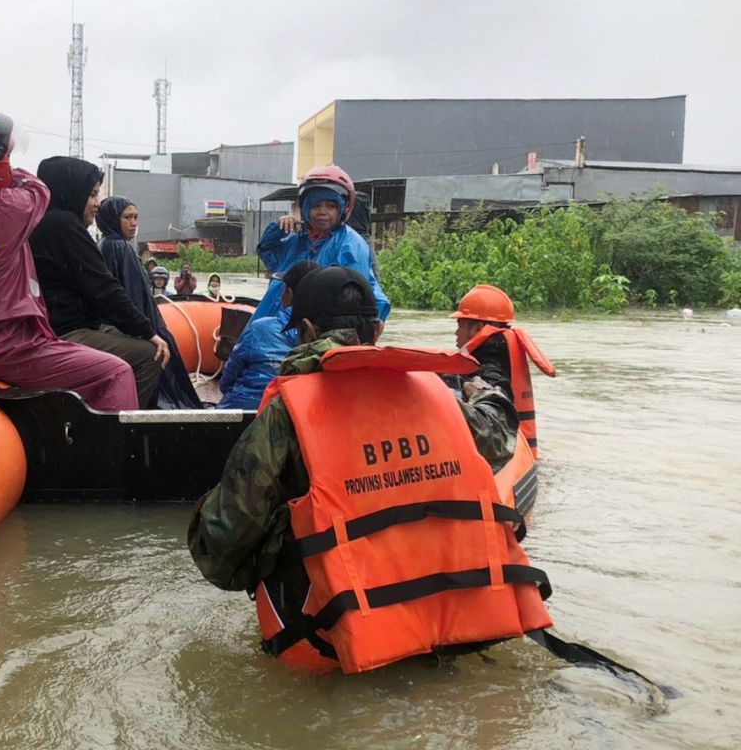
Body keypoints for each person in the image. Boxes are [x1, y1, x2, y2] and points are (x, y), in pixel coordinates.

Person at [187, 266, 549, 673]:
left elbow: (224, 540)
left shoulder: (285, 415)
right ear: (376, 332)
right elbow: (500, 434)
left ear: (305, 330)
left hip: (332, 638)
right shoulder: (434, 394)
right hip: (449, 620)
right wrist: (488, 378)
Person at [0, 111, 139, 412]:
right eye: (3, 156)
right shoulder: (5, 211)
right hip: (9, 347)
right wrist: (5, 174)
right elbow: (39, 189)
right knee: (115, 372)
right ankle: (114, 457)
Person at [31, 156, 171, 409]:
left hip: (68, 324)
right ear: (72, 191)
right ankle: (118, 430)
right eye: (92, 194)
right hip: (65, 330)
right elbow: (104, 289)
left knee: (128, 336)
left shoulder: (44, 222)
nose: (96, 204)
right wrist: (148, 331)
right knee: (151, 355)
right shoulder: (63, 225)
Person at [250, 165, 390, 330]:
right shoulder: (296, 242)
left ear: (343, 208)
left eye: (330, 206)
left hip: (312, 333)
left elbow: (350, 304)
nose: (322, 212)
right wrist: (278, 229)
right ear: (306, 208)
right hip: (276, 325)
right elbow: (267, 252)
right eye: (316, 206)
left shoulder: (350, 245)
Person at [96, 196, 202, 409]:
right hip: (134, 325)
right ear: (112, 219)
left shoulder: (106, 245)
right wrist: (147, 329)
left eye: (136, 217)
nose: (134, 223)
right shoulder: (118, 247)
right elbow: (132, 296)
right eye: (127, 217)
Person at [451, 284, 557, 457]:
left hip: (508, 452)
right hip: (519, 448)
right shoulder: (499, 352)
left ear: (478, 328)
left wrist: (480, 393)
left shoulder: (487, 365)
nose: (456, 333)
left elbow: (498, 406)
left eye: (460, 325)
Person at [217, 261, 319, 410]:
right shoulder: (328, 337)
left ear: (289, 294)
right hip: (299, 413)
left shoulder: (260, 328)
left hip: (247, 408)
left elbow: (229, 376)